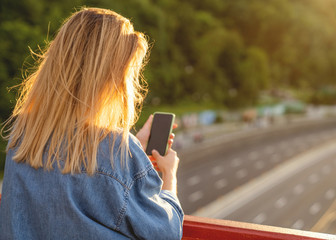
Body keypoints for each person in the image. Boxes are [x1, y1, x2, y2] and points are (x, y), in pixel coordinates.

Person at [0, 7, 183, 240]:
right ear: (112, 77)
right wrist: (169, 174)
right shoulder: (116, 149)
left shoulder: (22, 135)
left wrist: (133, 146)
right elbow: (166, 233)